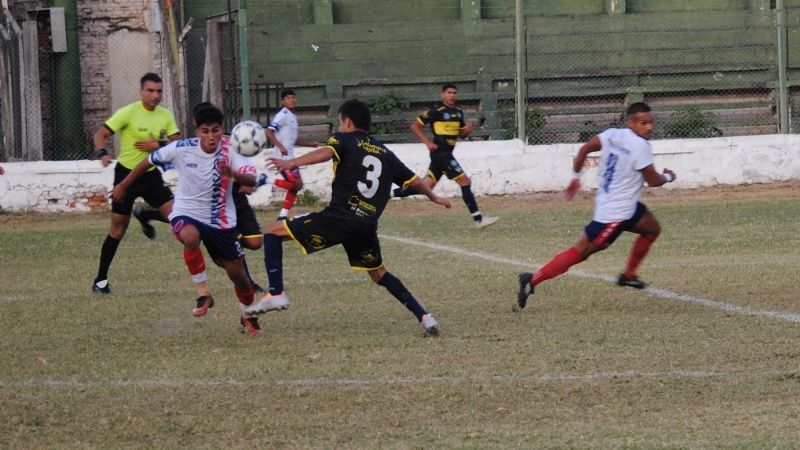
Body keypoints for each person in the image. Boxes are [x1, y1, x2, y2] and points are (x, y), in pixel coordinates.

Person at [246, 99, 452, 337]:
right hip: (366, 224)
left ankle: (276, 292)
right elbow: (416, 181)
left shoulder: (342, 138)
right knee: (379, 274)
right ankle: (425, 317)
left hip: (340, 218)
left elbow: (325, 153)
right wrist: (434, 197)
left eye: (340, 121)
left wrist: (291, 162)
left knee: (272, 231)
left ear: (347, 121)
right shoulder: (384, 151)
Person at [111, 104, 263, 336]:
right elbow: (147, 162)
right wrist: (123, 184)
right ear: (196, 130)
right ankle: (204, 293)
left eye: (215, 130)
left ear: (222, 129)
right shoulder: (182, 148)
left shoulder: (233, 150)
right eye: (205, 131)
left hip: (221, 220)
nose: (211, 136)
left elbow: (251, 180)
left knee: (239, 277)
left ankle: (248, 316)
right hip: (187, 210)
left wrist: (233, 174)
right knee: (189, 236)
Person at [515, 102, 677, 311]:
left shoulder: (611, 135)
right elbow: (654, 180)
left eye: (650, 123)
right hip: (613, 215)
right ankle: (531, 280)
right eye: (643, 123)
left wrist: (575, 177)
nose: (649, 128)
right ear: (631, 122)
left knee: (652, 228)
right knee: (580, 252)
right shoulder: (641, 146)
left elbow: (584, 149)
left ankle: (629, 275)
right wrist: (669, 176)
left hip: (624, 206)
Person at [91, 72, 181, 294]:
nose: (155, 95)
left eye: (159, 91)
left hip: (150, 175)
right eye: (150, 91)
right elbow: (100, 134)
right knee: (118, 228)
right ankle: (100, 281)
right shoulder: (128, 113)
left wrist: (158, 145)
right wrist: (102, 153)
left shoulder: (165, 115)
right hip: (125, 177)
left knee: (179, 218)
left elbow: (178, 143)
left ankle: (145, 215)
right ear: (141, 92)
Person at [392, 83, 498, 229]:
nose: (452, 95)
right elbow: (414, 126)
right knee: (465, 182)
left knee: (424, 187)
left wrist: (468, 129)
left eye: (454, 93)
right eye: (449, 92)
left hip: (446, 153)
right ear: (443, 94)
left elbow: (461, 135)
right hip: (441, 153)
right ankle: (478, 219)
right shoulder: (436, 110)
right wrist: (427, 143)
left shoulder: (458, 112)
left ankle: (387, 193)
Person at [266, 89, 320, 220]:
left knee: (297, 186)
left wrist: (310, 144)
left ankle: (283, 216)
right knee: (296, 185)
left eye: (293, 98)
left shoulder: (292, 117)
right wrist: (280, 146)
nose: (292, 100)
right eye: (289, 98)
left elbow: (293, 139)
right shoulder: (282, 115)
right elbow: (268, 132)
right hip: (282, 158)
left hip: (290, 158)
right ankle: (266, 180)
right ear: (283, 101)